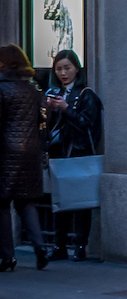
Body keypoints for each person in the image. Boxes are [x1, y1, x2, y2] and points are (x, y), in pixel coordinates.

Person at [42, 49, 102, 261]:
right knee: (59, 201)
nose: (63, 73)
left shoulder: (86, 95)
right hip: (59, 153)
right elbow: (46, 127)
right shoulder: (53, 93)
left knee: (80, 202)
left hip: (78, 154)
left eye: (67, 68)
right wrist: (49, 110)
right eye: (59, 69)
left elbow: (89, 126)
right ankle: (58, 245)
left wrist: (67, 108)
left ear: (77, 68)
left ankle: (79, 246)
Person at [0, 44, 50, 272]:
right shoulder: (33, 88)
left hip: (7, 151)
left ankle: (7, 257)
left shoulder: (3, 87)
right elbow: (42, 123)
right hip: (31, 150)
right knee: (26, 202)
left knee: (2, 204)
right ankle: (40, 248)